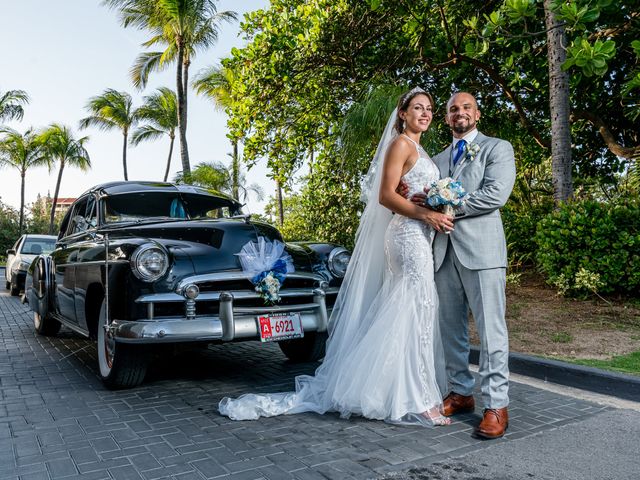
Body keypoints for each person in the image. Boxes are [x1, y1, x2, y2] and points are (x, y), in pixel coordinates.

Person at [218, 88, 454, 425]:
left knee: (413, 308)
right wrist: (426, 214)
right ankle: (418, 398)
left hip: (419, 234)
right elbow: (386, 197)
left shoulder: (419, 148)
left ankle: (400, 390)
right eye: (418, 108)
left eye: (429, 108)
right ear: (403, 113)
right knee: (414, 307)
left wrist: (437, 206)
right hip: (406, 235)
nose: (425, 113)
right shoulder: (401, 144)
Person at [408, 92, 516, 439]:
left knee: (491, 331)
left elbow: (496, 194)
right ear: (447, 118)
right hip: (442, 253)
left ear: (477, 114)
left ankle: (497, 405)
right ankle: (461, 392)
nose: (459, 113)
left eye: (466, 107)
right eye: (453, 108)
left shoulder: (497, 148)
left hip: (482, 253)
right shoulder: (436, 158)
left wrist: (447, 204)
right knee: (450, 329)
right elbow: (421, 193)